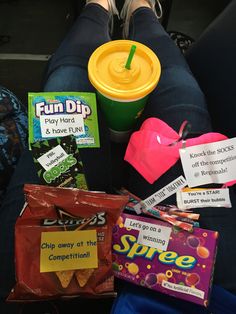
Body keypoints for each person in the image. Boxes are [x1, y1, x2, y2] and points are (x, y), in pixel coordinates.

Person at [0, 0, 236, 313]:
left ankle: (100, 7)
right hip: (213, 284)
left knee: (67, 87)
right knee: (181, 96)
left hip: (41, 294)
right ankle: (140, 11)